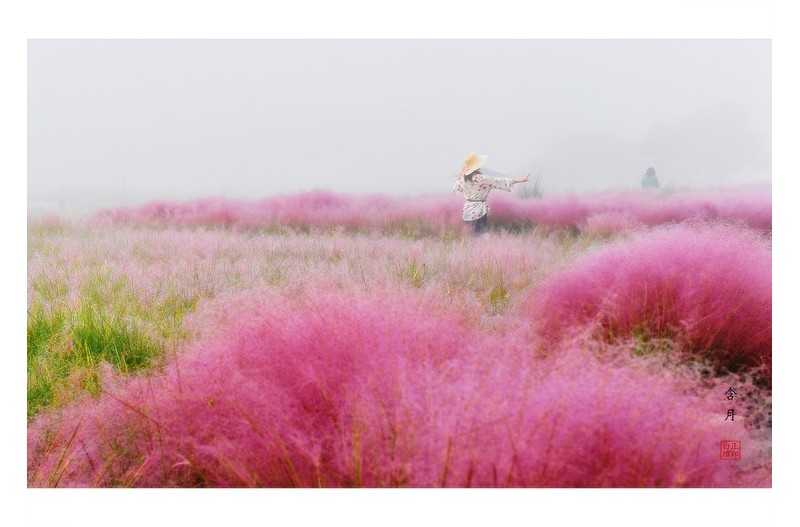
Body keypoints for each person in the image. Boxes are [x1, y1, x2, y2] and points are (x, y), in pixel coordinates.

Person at [452, 152, 530, 235]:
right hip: (479, 211)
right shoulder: (481, 178)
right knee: (480, 237)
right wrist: (520, 180)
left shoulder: (463, 180)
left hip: (467, 213)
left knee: (470, 237)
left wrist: (461, 173)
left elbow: (456, 189)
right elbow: (499, 181)